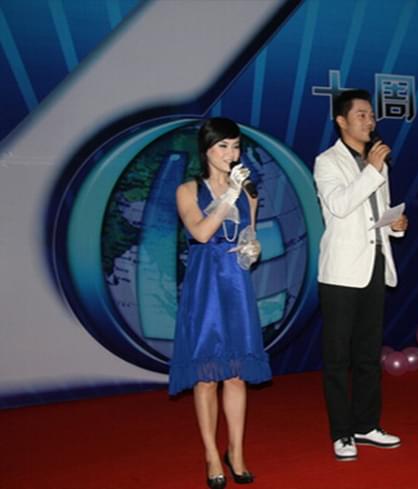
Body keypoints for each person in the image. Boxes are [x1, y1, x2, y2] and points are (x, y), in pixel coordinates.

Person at [169, 117, 271, 488]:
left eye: (236, 146)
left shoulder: (248, 193)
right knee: (207, 377)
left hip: (236, 284)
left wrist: (252, 248)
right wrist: (228, 195)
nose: (231, 153)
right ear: (207, 150)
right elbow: (200, 232)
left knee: (236, 374)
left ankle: (236, 451)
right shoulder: (187, 190)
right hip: (205, 285)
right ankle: (212, 454)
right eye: (223, 146)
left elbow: (249, 237)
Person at [313, 89, 408, 461]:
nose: (371, 121)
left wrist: (396, 225)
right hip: (341, 272)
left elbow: (375, 213)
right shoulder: (327, 162)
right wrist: (372, 169)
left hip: (375, 263)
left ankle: (366, 425)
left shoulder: (376, 164)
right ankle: (341, 433)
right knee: (338, 357)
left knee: (369, 354)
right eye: (362, 115)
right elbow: (340, 205)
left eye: (372, 115)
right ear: (342, 121)